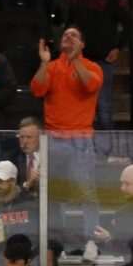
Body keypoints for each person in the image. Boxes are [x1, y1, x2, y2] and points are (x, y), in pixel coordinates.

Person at [31, 27, 101, 245]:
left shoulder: (92, 66)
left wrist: (75, 60)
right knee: (53, 191)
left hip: (80, 139)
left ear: (82, 44)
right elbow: (37, 89)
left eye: (74, 36)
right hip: (53, 138)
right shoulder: (52, 67)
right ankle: (54, 239)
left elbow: (90, 85)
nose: (68, 39)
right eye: (65, 36)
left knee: (86, 191)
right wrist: (43, 63)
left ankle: (91, 239)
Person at [62, 0, 130, 130]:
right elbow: (69, 21)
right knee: (75, 104)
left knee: (103, 106)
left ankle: (105, 149)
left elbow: (129, 23)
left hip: (102, 59)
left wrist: (118, 47)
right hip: (77, 57)